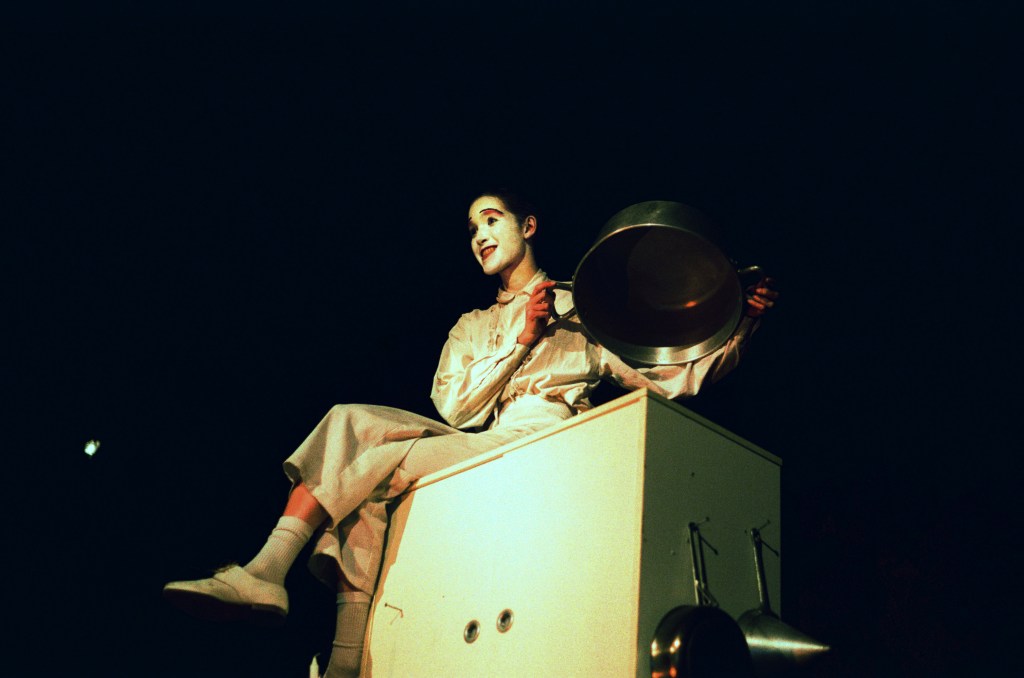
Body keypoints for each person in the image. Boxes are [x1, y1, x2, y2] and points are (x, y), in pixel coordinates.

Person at [163, 190, 779, 677]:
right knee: (355, 431)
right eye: (471, 228)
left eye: (491, 220)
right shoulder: (471, 325)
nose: (480, 235)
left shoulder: (581, 305)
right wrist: (521, 340)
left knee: (365, 459)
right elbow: (456, 409)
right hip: (485, 440)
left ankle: (295, 605)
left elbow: (671, 381)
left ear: (528, 226)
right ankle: (287, 596)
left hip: (550, 441)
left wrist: (740, 323)